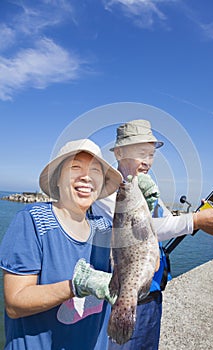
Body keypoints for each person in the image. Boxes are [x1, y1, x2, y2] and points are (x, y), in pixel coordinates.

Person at [90, 119, 213, 350]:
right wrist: (195, 221)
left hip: (152, 292)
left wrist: (202, 218)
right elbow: (140, 229)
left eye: (151, 154)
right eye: (140, 153)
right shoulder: (109, 189)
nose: (147, 161)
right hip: (122, 292)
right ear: (118, 152)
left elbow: (167, 222)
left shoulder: (145, 188)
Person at [0, 138, 122, 350]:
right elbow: (15, 302)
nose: (86, 177)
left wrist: (141, 217)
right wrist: (75, 286)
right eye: (75, 167)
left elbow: (147, 267)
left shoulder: (104, 228)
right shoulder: (33, 221)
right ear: (57, 179)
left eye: (95, 170)